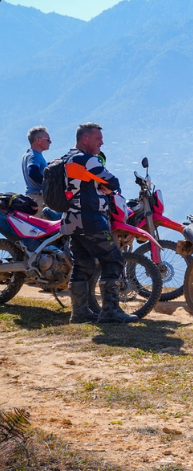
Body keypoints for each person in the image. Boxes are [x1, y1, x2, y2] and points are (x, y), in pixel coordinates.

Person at [61, 122, 136, 324]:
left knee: (82, 264)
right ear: (85, 139)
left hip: (70, 220)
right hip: (90, 219)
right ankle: (110, 311)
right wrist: (103, 186)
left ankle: (79, 313)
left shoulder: (65, 158)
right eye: (97, 139)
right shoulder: (88, 160)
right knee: (113, 259)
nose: (101, 142)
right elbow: (113, 183)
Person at [22, 126, 53, 215]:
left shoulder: (29, 154)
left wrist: (49, 164)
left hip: (33, 196)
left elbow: (36, 168)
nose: (50, 142)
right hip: (38, 198)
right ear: (38, 140)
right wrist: (49, 184)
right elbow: (32, 172)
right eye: (48, 139)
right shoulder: (34, 155)